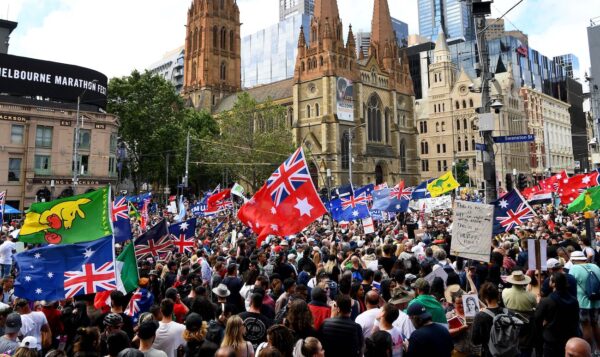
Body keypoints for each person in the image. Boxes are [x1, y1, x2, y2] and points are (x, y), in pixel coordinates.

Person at [535, 272, 580, 357]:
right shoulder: (574, 300)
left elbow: (537, 318)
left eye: (550, 280)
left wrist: (538, 303)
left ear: (553, 284)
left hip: (552, 339)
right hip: (569, 337)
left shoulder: (546, 301)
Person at [568, 251, 600, 350]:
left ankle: (588, 351)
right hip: (596, 300)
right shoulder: (596, 267)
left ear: (573, 260)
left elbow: (570, 284)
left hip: (582, 302)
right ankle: (599, 349)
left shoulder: (573, 269)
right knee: (595, 324)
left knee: (586, 326)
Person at [472, 283, 504, 357]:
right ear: (497, 295)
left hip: (490, 352)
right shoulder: (506, 311)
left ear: (485, 298)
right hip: (506, 350)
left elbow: (475, 340)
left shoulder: (480, 316)